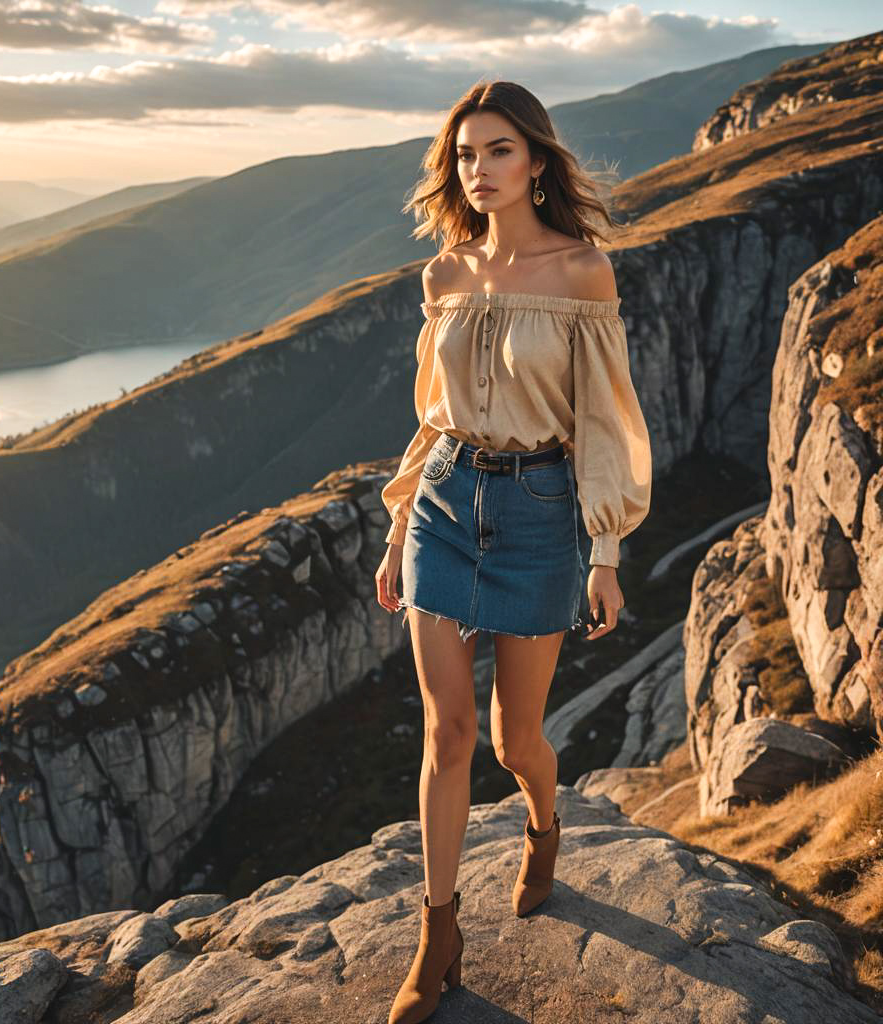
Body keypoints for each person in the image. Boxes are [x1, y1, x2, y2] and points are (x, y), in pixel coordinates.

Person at [373, 80, 652, 1024]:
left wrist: (606, 548)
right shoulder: (445, 276)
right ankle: (437, 930)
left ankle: (543, 822)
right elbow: (429, 415)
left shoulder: (582, 273)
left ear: (535, 158)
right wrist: (401, 519)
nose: (477, 170)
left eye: (496, 150)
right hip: (446, 502)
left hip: (540, 511)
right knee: (446, 734)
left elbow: (605, 420)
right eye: (463, 154)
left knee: (512, 740)